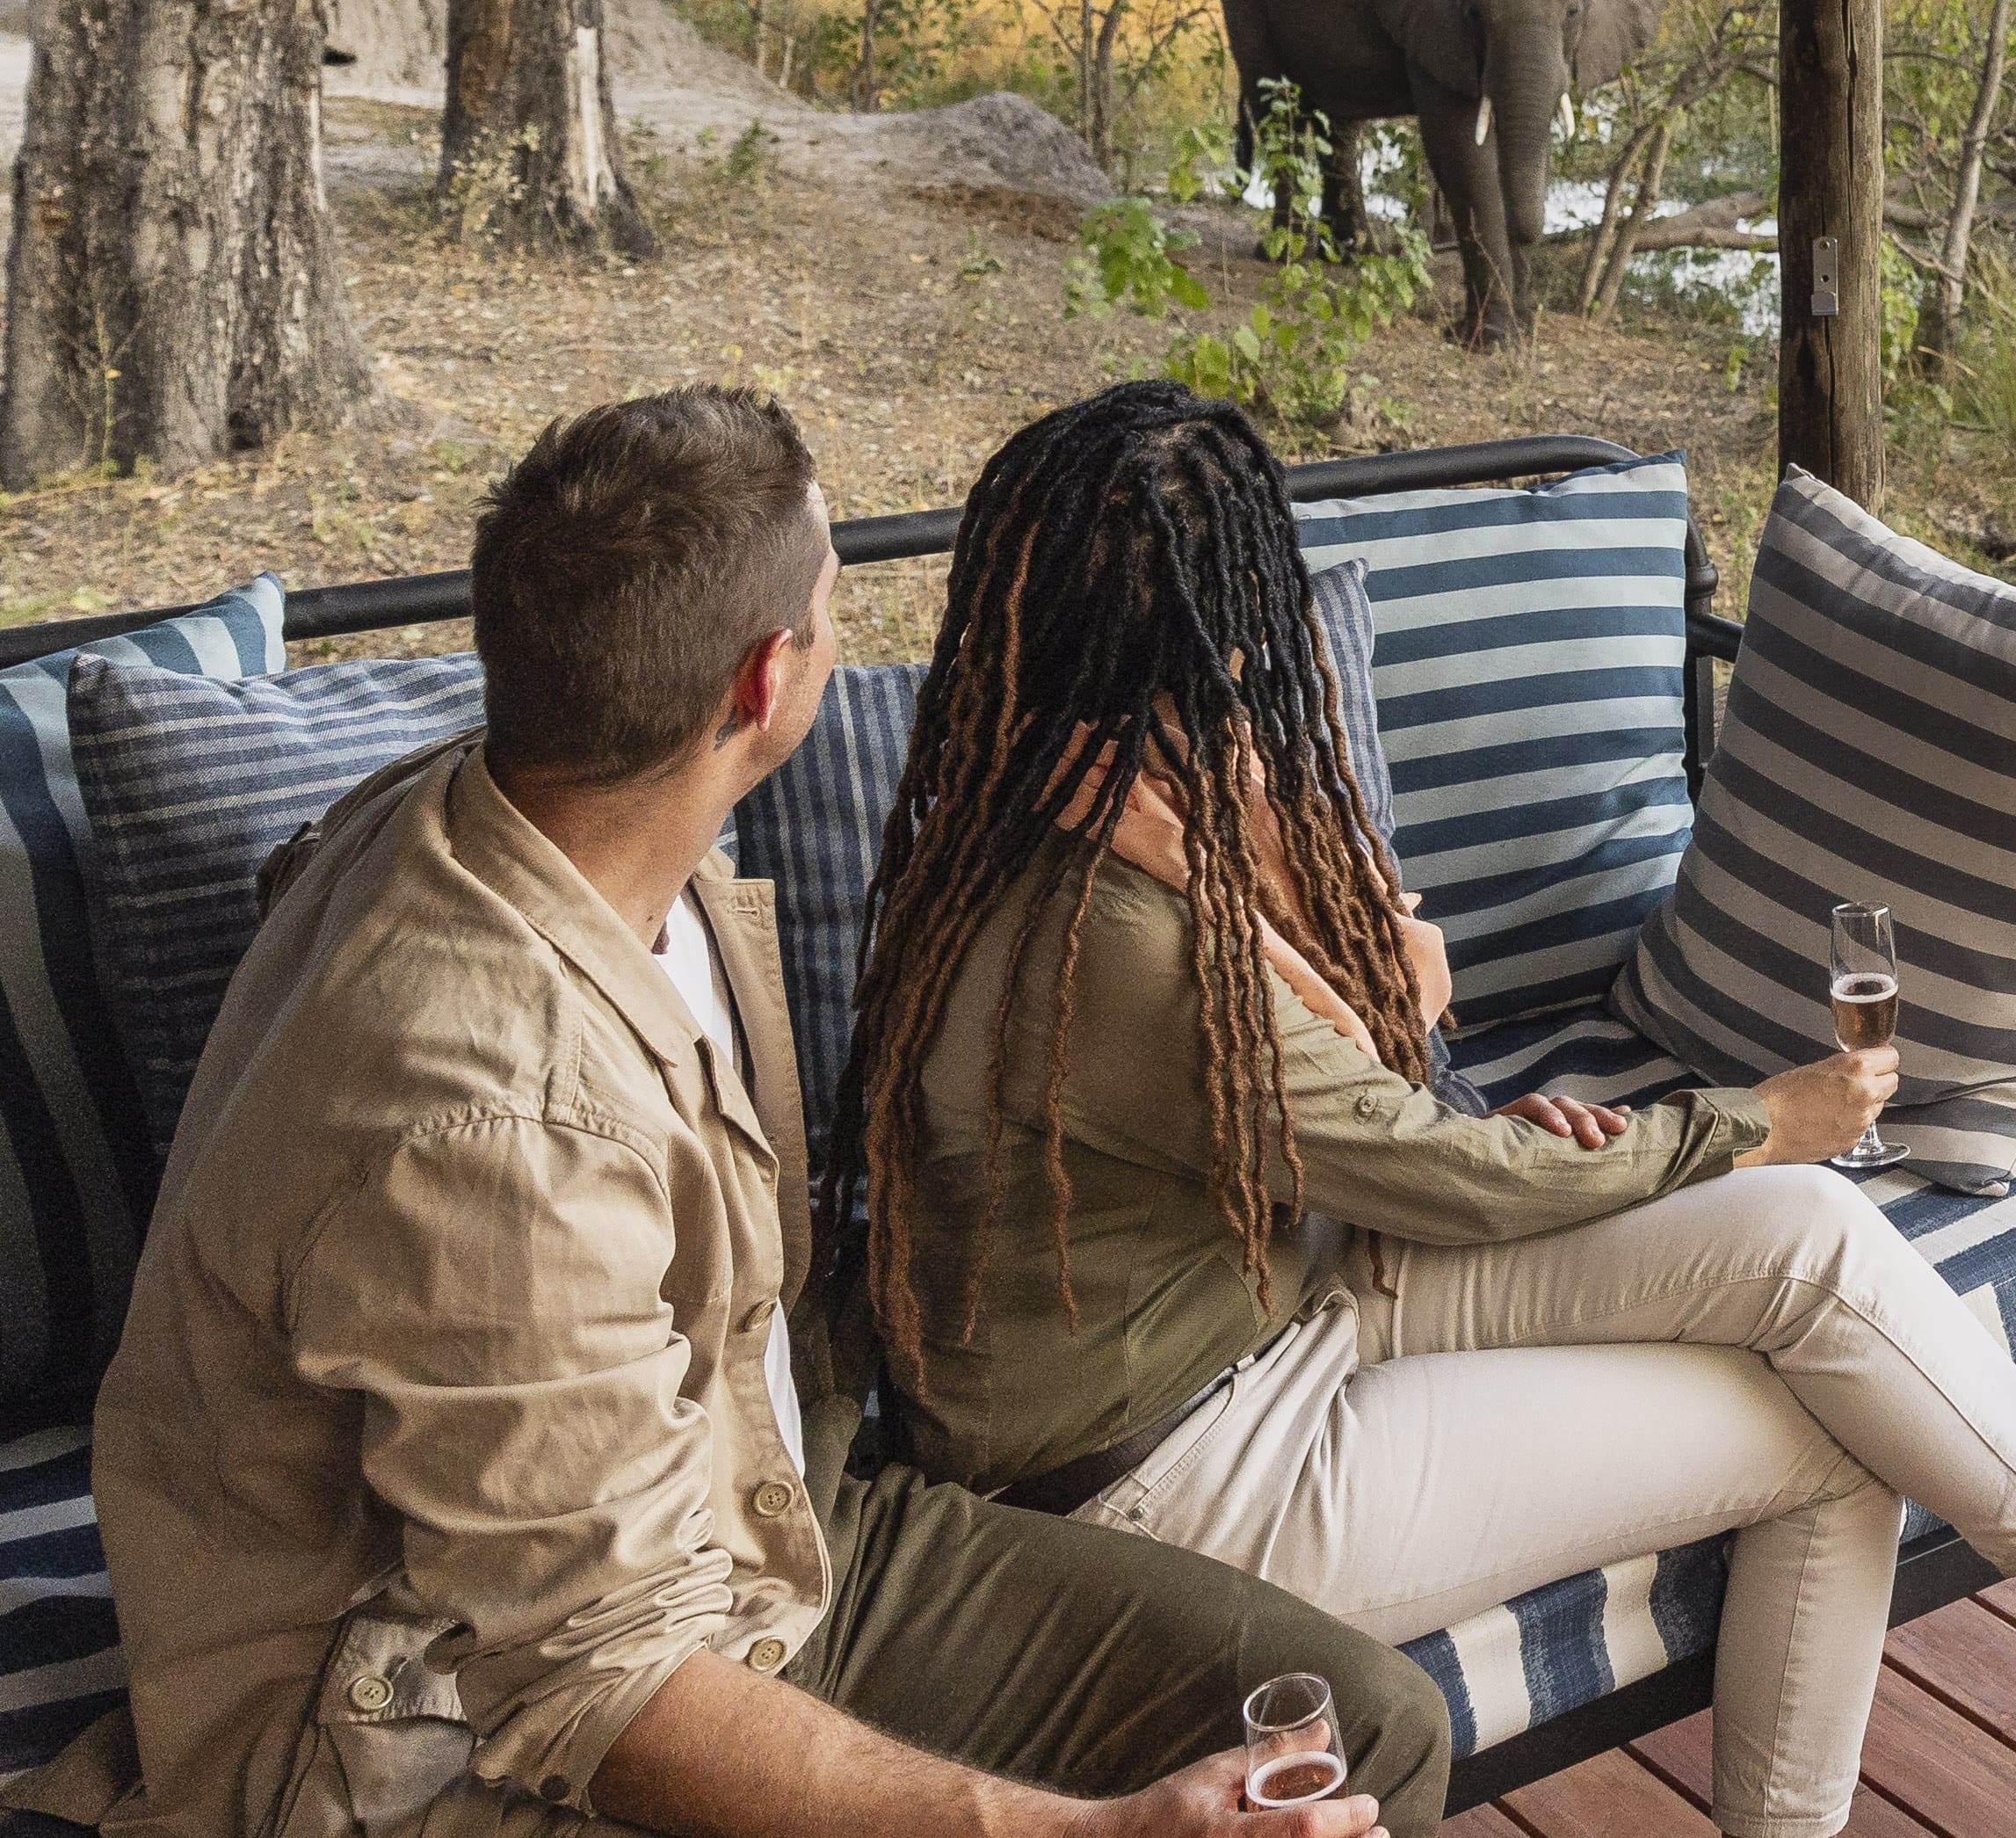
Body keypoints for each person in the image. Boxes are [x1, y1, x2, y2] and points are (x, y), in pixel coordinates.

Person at [852, 382, 2016, 1838]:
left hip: (1299, 1282)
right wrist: (1744, 1115)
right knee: (1835, 1425)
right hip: (1191, 1454)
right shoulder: (1100, 922)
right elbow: (1432, 1167)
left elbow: (1353, 1114)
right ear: (1222, 628)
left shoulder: (1104, 800)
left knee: (1813, 1240)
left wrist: (1480, 1056)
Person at [5, 388, 1442, 1838]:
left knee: (1363, 1724)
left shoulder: (524, 812)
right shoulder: (495, 1134)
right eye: (832, 606)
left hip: (773, 1509)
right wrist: (1091, 1831)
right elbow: (599, 1685)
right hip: (445, 1734)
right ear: (767, 683)